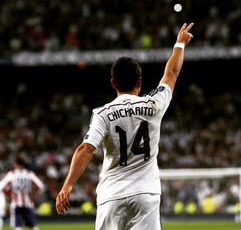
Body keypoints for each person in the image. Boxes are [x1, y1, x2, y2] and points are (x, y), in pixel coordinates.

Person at [56, 22, 194, 229]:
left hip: (112, 195)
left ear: (113, 83)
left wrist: (67, 186)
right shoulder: (154, 104)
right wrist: (180, 44)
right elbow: (171, 73)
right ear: (139, 81)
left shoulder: (102, 113)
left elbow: (86, 149)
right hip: (146, 195)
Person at [0, 156, 45, 230]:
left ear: (15, 164)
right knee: (33, 226)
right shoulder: (29, 173)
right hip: (28, 203)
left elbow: (1, 186)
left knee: (17, 226)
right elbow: (41, 186)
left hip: (16, 203)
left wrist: (7, 192)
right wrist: (34, 194)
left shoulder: (12, 174)